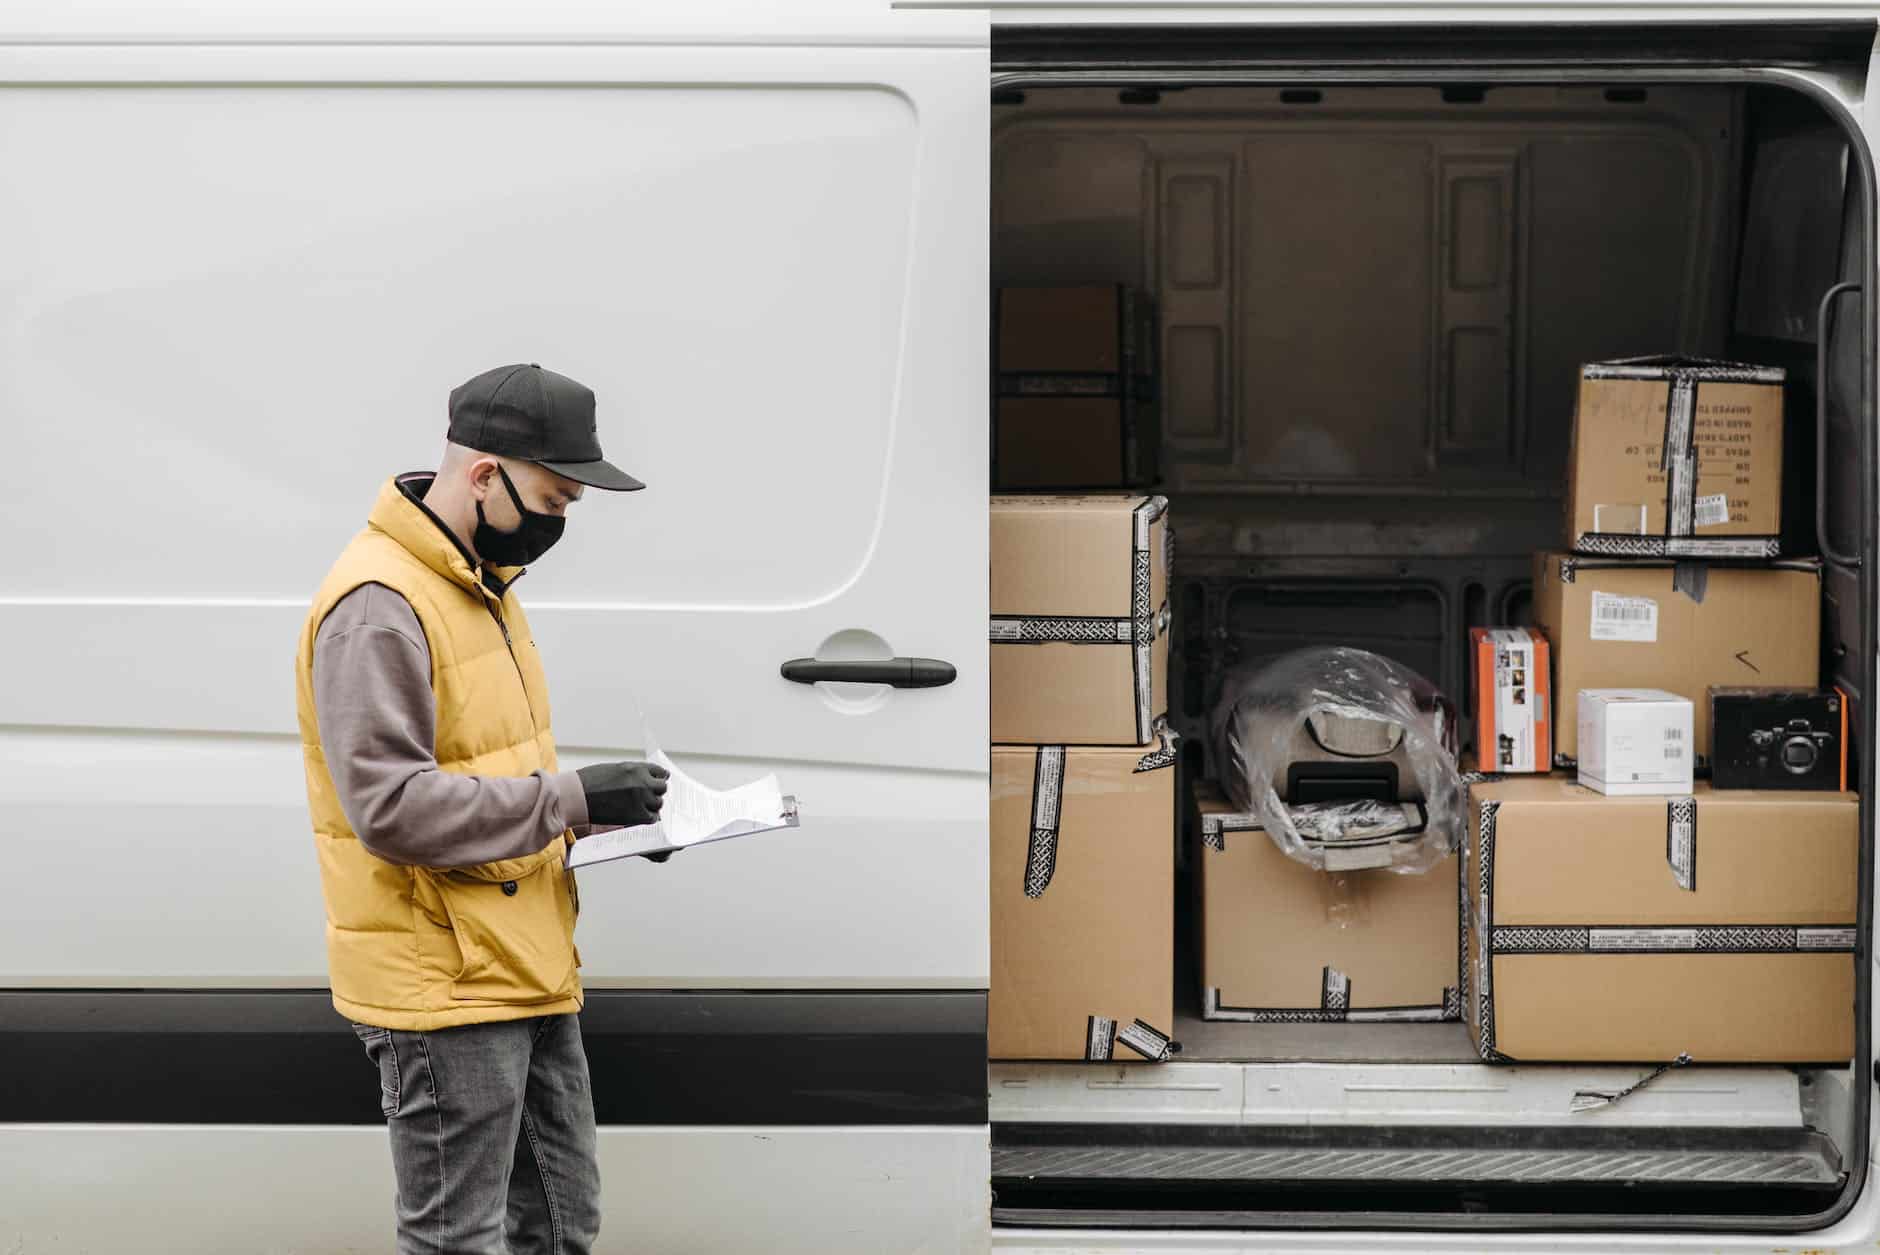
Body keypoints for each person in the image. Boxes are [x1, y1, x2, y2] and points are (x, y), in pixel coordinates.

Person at [293, 363, 673, 1254]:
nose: (561, 520)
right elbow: (391, 808)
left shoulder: (478, 585)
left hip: (523, 962)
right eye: (555, 496)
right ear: (482, 475)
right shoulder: (380, 605)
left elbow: (487, 778)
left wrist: (600, 820)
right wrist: (570, 795)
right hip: (445, 985)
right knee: (459, 1239)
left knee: (560, 1228)